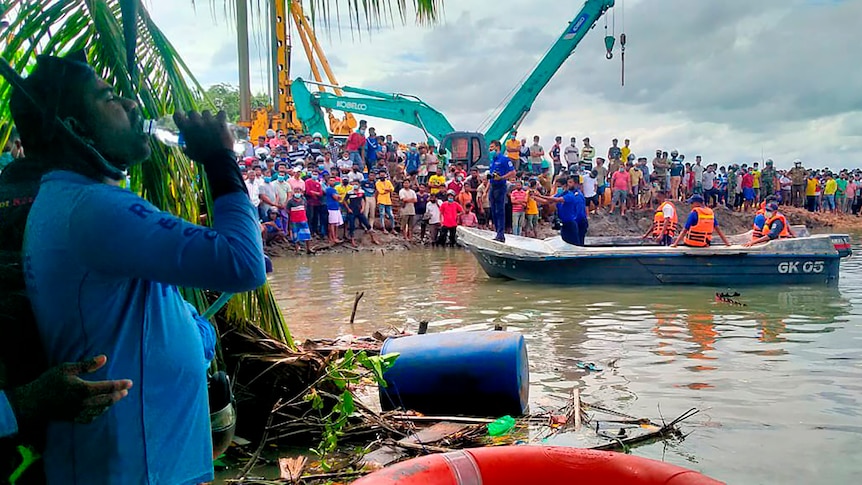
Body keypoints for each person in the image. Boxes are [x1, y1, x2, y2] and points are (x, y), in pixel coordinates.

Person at [9, 51, 265, 483]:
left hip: (145, 457)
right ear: (76, 129)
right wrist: (220, 161)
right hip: (133, 464)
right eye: (109, 98)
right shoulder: (93, 208)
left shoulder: (73, 202)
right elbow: (243, 263)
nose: (131, 105)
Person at [533, 177, 584, 246]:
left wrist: (540, 195)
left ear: (565, 186)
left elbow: (557, 200)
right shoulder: (560, 194)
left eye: (559, 186)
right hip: (563, 223)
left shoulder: (570, 195)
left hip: (571, 223)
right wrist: (534, 197)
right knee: (565, 243)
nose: (557, 189)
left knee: (575, 244)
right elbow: (546, 202)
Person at [488, 140, 516, 242]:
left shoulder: (504, 159)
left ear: (497, 148)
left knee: (500, 211)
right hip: (492, 186)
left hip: (500, 187)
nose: (490, 149)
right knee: (493, 211)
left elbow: (513, 172)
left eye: (491, 147)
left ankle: (501, 235)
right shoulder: (492, 160)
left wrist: (502, 177)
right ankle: (497, 232)